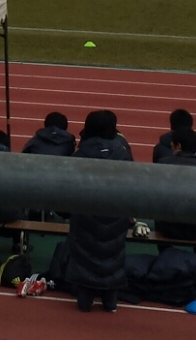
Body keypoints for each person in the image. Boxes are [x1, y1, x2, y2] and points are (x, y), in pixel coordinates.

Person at [65, 110, 134, 311]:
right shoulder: (122, 151)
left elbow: (70, 184)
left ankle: (85, 298)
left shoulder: (81, 153)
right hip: (115, 212)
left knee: (85, 253)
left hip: (86, 211)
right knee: (113, 252)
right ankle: (110, 299)